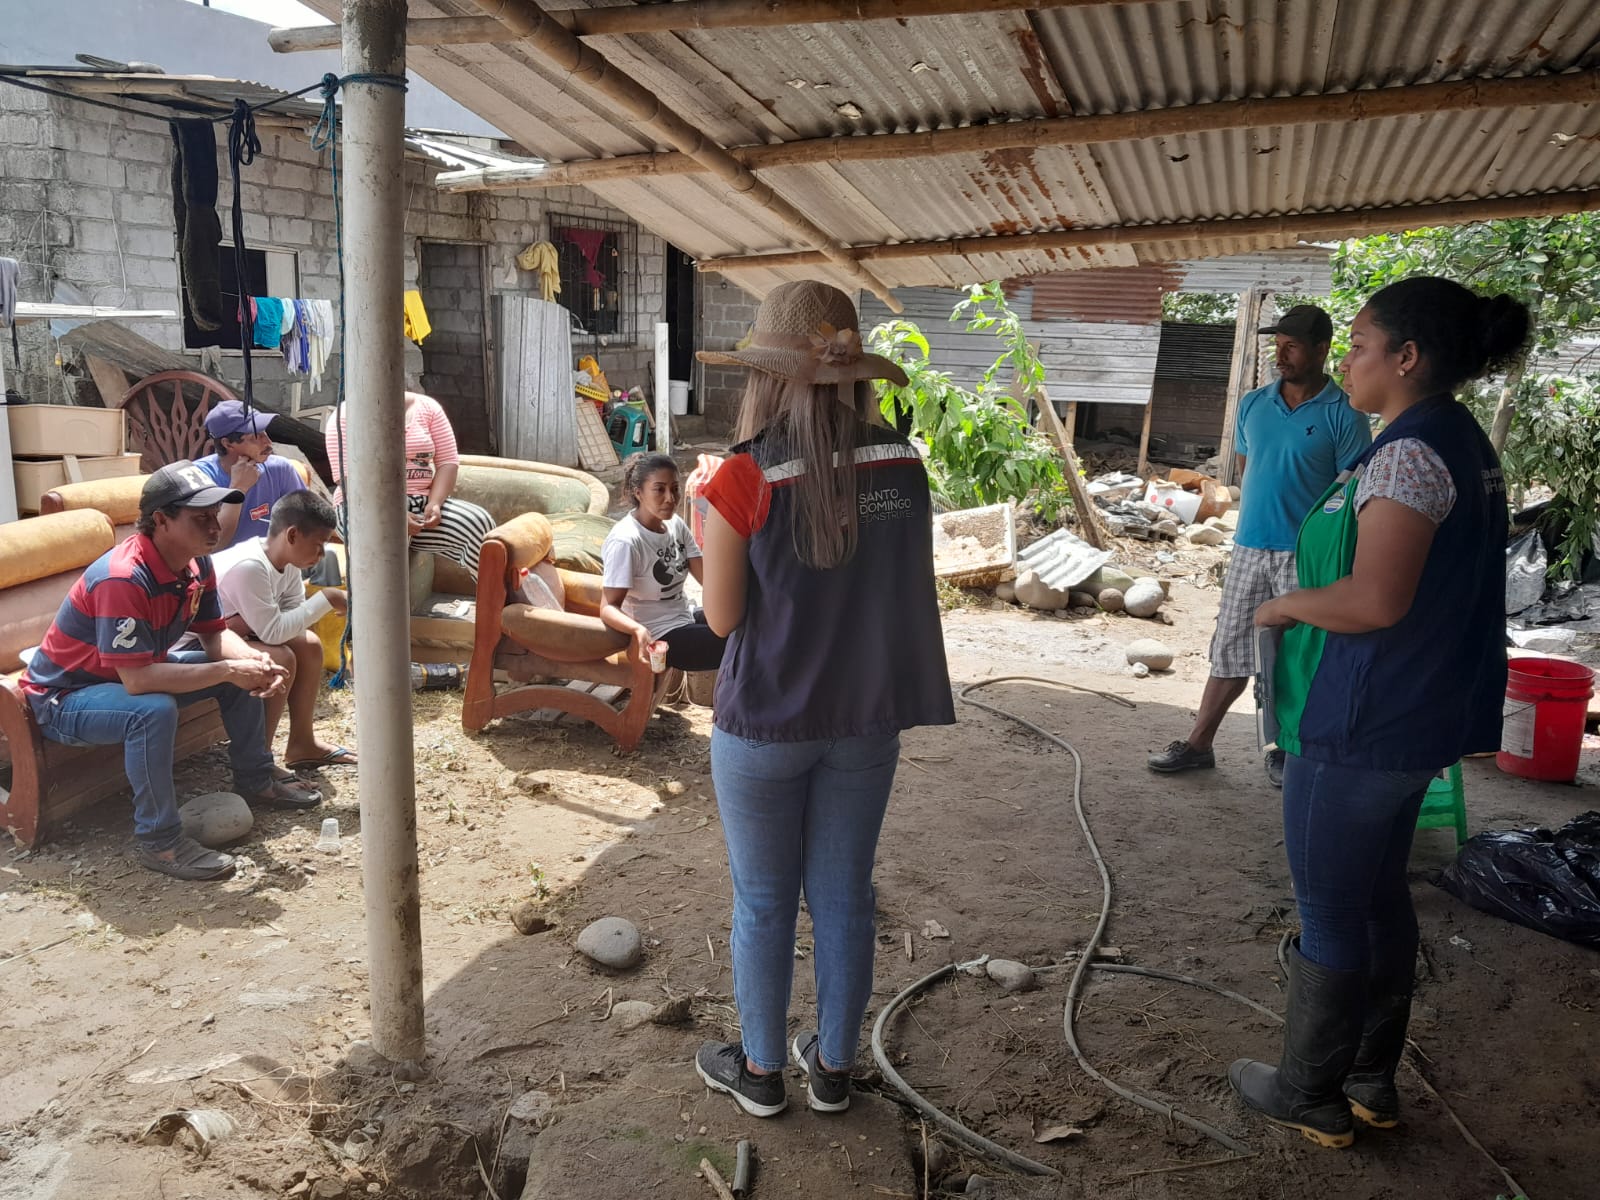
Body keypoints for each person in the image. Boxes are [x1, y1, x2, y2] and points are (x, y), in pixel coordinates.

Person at [1228, 278, 1527, 1148]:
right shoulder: (1461, 441)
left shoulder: (1405, 454)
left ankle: (1308, 1091)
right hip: (1422, 711)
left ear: (1407, 357)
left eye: (1359, 346)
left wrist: (1284, 606)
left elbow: (1375, 599)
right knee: (1377, 893)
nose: (1348, 361)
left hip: (1369, 717)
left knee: (1330, 908)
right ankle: (1368, 1078)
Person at [689, 281, 956, 1117]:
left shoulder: (744, 474)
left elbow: (722, 619)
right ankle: (835, 1067)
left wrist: (709, 530)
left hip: (766, 722)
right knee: (845, 896)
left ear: (766, 374)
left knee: (765, 902)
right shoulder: (903, 463)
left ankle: (761, 1071)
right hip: (866, 717)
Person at [21, 462, 324, 882]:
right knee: (153, 711)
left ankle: (256, 778)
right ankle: (160, 841)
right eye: (201, 518)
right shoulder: (124, 578)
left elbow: (215, 634)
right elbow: (140, 681)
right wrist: (228, 668)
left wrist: (251, 663)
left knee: (241, 673)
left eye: (215, 513)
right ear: (161, 520)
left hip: (125, 678)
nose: (215, 526)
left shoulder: (197, 564)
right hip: (65, 698)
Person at [1148, 304, 1371, 786]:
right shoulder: (1253, 404)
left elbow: (1349, 496)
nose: (1281, 354)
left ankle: (1286, 749)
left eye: (1293, 346)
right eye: (1278, 344)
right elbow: (1248, 471)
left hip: (1305, 556)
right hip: (1250, 545)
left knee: (1295, 657)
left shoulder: (1345, 414)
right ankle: (1198, 744)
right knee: (1230, 645)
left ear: (1321, 350)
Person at [214, 490, 357, 772]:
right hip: (202, 642)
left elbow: (291, 615)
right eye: (318, 545)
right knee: (282, 657)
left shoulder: (287, 563)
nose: (321, 554)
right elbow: (274, 633)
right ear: (292, 535)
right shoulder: (249, 566)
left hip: (239, 634)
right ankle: (259, 760)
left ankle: (302, 744)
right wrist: (328, 598)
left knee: (309, 645)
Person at [324, 390, 496, 578]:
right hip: (364, 506)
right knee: (387, 534)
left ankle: (494, 595)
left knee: (478, 523)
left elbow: (448, 462)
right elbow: (347, 480)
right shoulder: (345, 416)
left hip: (421, 503)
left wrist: (435, 503)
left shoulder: (428, 408)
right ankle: (376, 597)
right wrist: (393, 514)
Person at [599, 453, 727, 672]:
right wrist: (637, 630)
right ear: (638, 493)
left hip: (684, 617)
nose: (670, 498)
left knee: (743, 624)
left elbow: (708, 579)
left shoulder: (676, 525)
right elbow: (608, 608)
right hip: (659, 636)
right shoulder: (626, 541)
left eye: (675, 488)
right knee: (739, 642)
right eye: (659, 489)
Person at [195, 399, 308, 549]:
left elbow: (307, 522)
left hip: (273, 558)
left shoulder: (280, 468)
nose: (268, 442)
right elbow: (213, 545)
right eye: (255, 436)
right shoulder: (200, 477)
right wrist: (238, 489)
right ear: (227, 444)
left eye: (264, 432)